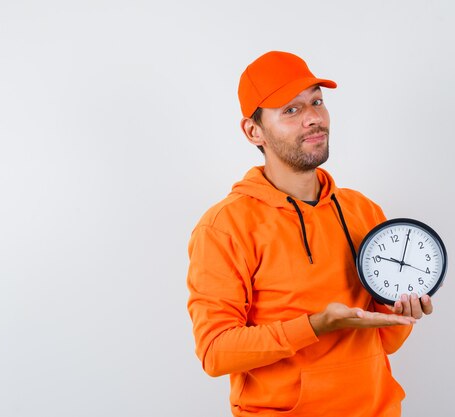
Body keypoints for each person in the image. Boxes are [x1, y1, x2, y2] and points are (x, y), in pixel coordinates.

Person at [186, 51, 434, 417]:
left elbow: (384, 341)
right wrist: (315, 326)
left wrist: (400, 313)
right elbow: (214, 351)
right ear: (253, 131)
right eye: (291, 109)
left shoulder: (362, 209)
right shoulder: (225, 226)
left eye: (317, 101)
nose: (314, 118)